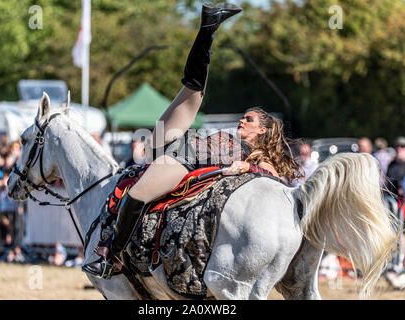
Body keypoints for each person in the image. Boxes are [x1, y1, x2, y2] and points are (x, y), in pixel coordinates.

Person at [82, 3, 301, 278]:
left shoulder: (261, 159)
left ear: (263, 132)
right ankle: (209, 25)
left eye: (249, 120)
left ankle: (109, 256)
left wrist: (248, 167)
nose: (242, 121)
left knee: (137, 194)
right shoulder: (237, 143)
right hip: (176, 142)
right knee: (193, 87)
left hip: (181, 160)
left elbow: (274, 182)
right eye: (244, 117)